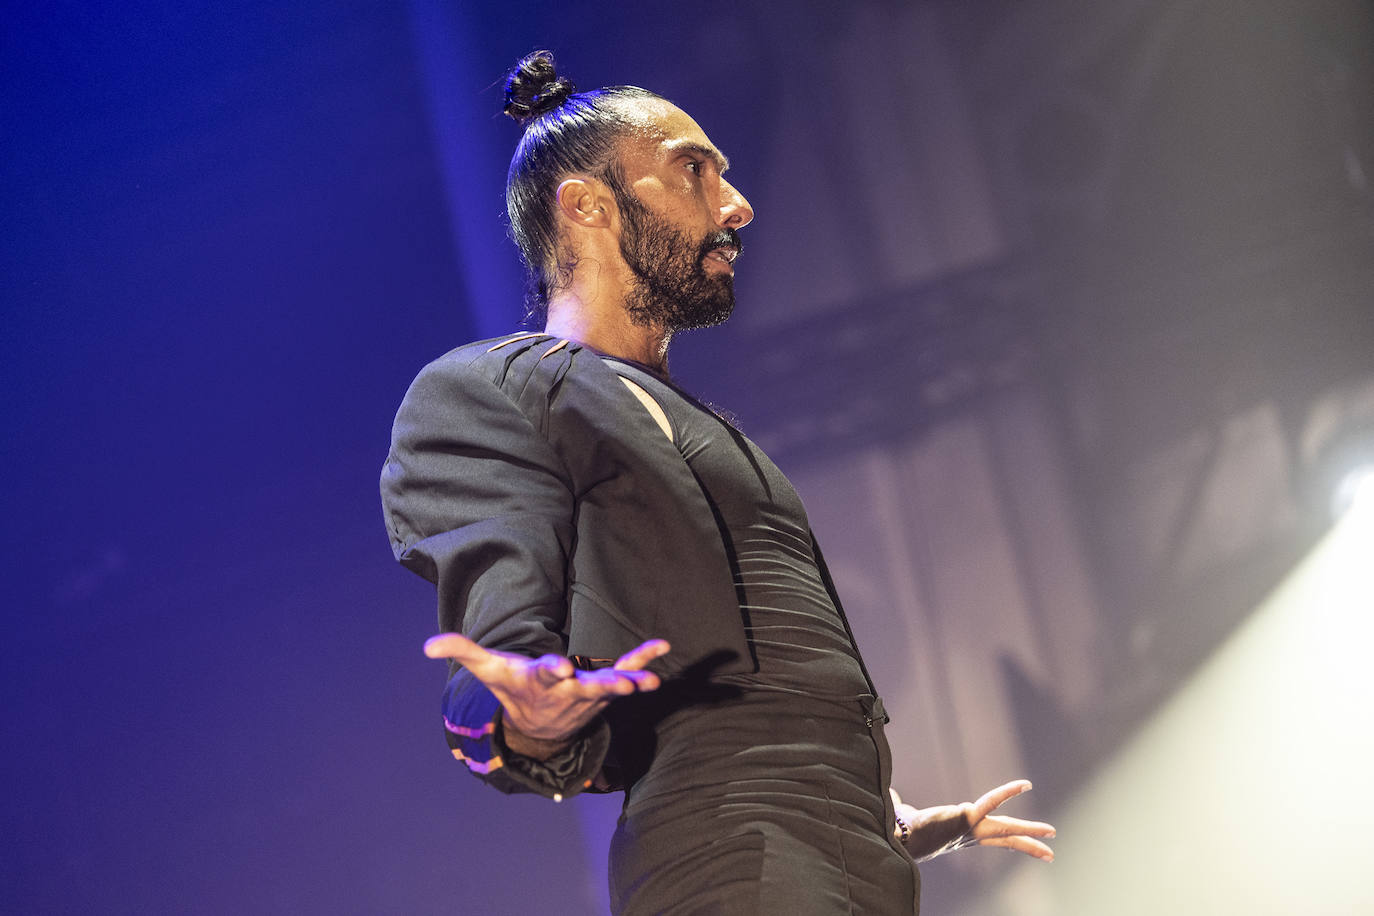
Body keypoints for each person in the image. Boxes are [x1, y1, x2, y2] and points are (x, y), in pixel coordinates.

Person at [381, 51, 1055, 915]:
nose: (736, 205)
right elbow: (505, 653)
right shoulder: (497, 387)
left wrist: (871, 810)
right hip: (730, 852)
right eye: (693, 171)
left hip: (843, 860)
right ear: (587, 204)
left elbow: (757, 657)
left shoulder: (692, 419)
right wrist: (521, 714)